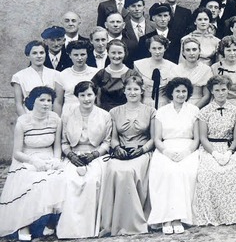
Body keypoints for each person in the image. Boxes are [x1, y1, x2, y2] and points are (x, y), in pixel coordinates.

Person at [0, 87, 64, 241]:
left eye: (49, 100)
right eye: (41, 99)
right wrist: (33, 161)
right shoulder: (23, 121)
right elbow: (17, 152)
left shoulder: (56, 119)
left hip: (48, 157)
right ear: (32, 101)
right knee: (31, 181)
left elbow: (57, 147)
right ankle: (24, 225)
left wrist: (56, 160)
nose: (46, 103)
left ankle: (50, 222)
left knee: (60, 178)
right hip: (27, 158)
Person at [193, 75, 236, 226]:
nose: (221, 93)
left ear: (228, 90)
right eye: (217, 90)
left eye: (224, 89)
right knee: (208, 172)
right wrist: (214, 153)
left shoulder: (235, 111)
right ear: (212, 92)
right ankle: (215, 215)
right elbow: (202, 137)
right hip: (210, 148)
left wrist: (229, 152)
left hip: (230, 148)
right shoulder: (204, 111)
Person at [101, 75, 156, 236]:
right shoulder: (114, 111)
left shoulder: (150, 111)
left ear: (141, 91)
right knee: (113, 169)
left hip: (142, 151)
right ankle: (114, 222)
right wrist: (117, 148)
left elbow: (153, 138)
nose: (132, 92)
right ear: (124, 91)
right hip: (121, 152)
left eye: (136, 89)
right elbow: (113, 137)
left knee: (129, 172)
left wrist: (142, 150)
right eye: (129, 89)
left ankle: (134, 222)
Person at [57, 81, 111, 239]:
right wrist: (71, 156)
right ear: (77, 97)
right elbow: (64, 142)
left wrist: (94, 154)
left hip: (96, 155)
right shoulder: (67, 115)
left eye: (90, 94)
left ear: (95, 95)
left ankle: (89, 228)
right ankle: (71, 228)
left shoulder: (105, 115)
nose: (87, 99)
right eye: (82, 95)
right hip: (74, 155)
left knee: (92, 180)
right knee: (69, 180)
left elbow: (107, 142)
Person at [148, 78, 200, 234]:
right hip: (166, 148)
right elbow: (157, 138)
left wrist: (186, 152)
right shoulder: (162, 111)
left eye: (184, 91)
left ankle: (179, 218)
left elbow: (196, 138)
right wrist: (167, 152)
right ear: (171, 92)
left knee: (184, 172)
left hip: (188, 149)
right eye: (177, 91)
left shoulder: (194, 110)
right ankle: (165, 218)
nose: (181, 94)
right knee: (165, 172)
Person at [12, 40, 59, 115]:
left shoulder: (56, 74)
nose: (39, 56)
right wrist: (26, 122)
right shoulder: (19, 76)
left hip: (50, 118)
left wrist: (55, 120)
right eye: (34, 53)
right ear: (28, 55)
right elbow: (18, 104)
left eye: (41, 53)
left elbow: (58, 102)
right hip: (30, 118)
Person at [53, 40, 99, 116]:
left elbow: (99, 100)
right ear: (70, 55)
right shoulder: (62, 75)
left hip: (91, 114)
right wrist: (57, 121)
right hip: (69, 114)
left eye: (83, 54)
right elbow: (58, 102)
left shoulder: (96, 73)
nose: (79, 58)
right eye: (76, 55)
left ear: (87, 55)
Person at [92, 40, 140, 111]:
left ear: (124, 53)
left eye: (120, 53)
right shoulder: (101, 74)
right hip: (106, 114)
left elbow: (138, 98)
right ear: (108, 53)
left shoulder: (132, 74)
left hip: (126, 113)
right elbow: (95, 96)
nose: (116, 56)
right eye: (113, 53)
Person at [133, 35, 178, 108]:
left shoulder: (173, 67)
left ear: (165, 48)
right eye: (154, 48)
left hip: (165, 105)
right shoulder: (139, 65)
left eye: (160, 48)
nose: (157, 52)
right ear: (149, 49)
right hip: (145, 103)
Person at [172, 37, 213, 108]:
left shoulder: (206, 69)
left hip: (199, 106)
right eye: (188, 50)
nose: (191, 53)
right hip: (179, 106)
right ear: (183, 53)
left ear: (199, 51)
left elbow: (206, 96)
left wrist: (193, 110)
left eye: (194, 49)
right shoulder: (176, 69)